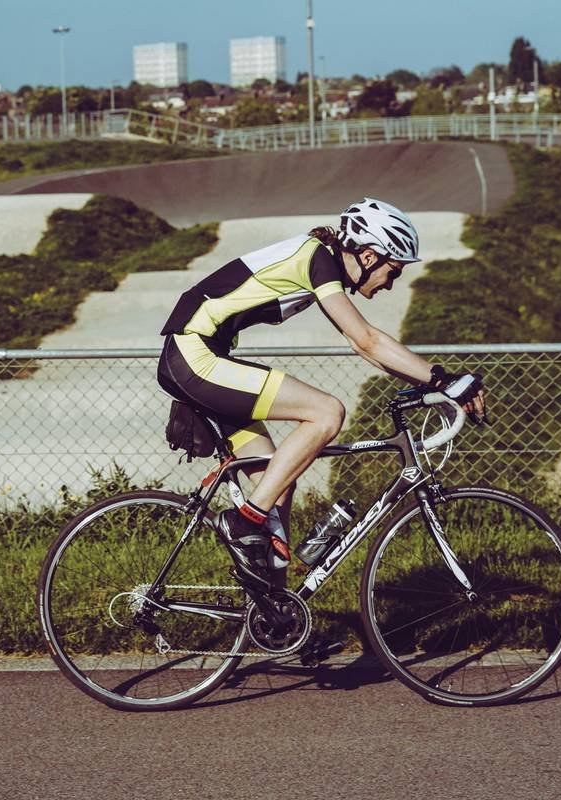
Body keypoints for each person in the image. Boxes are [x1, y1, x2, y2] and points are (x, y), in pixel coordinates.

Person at [156, 198, 485, 596]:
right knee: (327, 412)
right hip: (195, 355)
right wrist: (443, 379)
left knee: (278, 484)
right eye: (392, 271)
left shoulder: (320, 261)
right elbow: (365, 338)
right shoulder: (318, 259)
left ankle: (276, 615)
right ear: (368, 255)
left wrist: (428, 384)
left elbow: (365, 349)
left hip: (201, 357)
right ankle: (244, 521)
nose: (390, 283)